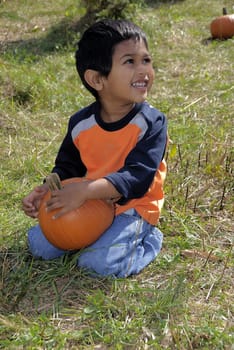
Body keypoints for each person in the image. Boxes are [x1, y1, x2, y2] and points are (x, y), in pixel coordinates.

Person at [22, 19, 168, 278]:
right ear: (97, 80)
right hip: (87, 202)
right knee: (40, 246)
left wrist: (86, 191)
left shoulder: (151, 123)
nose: (144, 70)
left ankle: (148, 240)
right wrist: (48, 188)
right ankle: (96, 235)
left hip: (133, 207)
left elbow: (137, 177)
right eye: (130, 62)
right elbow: (68, 166)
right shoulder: (81, 124)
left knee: (97, 265)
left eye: (146, 60)